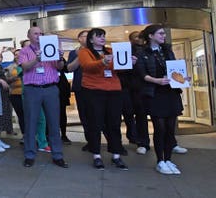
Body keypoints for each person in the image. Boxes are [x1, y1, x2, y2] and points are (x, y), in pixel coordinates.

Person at [136, 24, 188, 175]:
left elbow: (175, 70)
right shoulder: (142, 53)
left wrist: (182, 78)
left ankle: (169, 160)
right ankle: (160, 161)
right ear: (150, 36)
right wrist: (156, 80)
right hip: (154, 94)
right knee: (160, 128)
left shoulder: (167, 50)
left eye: (163, 34)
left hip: (171, 93)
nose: (163, 36)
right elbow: (142, 74)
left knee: (170, 129)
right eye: (160, 34)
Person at [79, 28, 130, 170]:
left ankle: (116, 155)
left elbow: (118, 68)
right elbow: (88, 67)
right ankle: (96, 155)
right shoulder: (85, 52)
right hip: (93, 91)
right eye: (99, 36)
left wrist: (128, 62)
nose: (102, 38)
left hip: (114, 90)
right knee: (95, 123)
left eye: (103, 36)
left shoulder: (110, 50)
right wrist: (103, 62)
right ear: (91, 39)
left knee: (114, 123)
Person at [18, 27, 68, 168]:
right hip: (32, 89)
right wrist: (37, 59)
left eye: (41, 33)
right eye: (36, 33)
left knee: (53, 123)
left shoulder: (50, 48)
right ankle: (29, 154)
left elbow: (59, 67)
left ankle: (57, 155)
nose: (39, 36)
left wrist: (60, 58)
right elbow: (25, 67)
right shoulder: (25, 51)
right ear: (29, 36)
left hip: (51, 89)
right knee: (31, 123)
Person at [66, 30, 90, 150]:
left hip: (96, 87)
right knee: (84, 115)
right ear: (79, 39)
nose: (87, 38)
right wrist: (81, 55)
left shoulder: (97, 51)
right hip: (80, 86)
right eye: (85, 36)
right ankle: (90, 141)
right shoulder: (74, 53)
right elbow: (69, 68)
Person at [6, 49, 25, 138]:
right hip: (14, 94)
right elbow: (6, 80)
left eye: (19, 54)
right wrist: (15, 78)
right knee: (21, 115)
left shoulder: (27, 64)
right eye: (16, 54)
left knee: (29, 115)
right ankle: (24, 135)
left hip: (27, 93)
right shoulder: (10, 67)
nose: (17, 56)